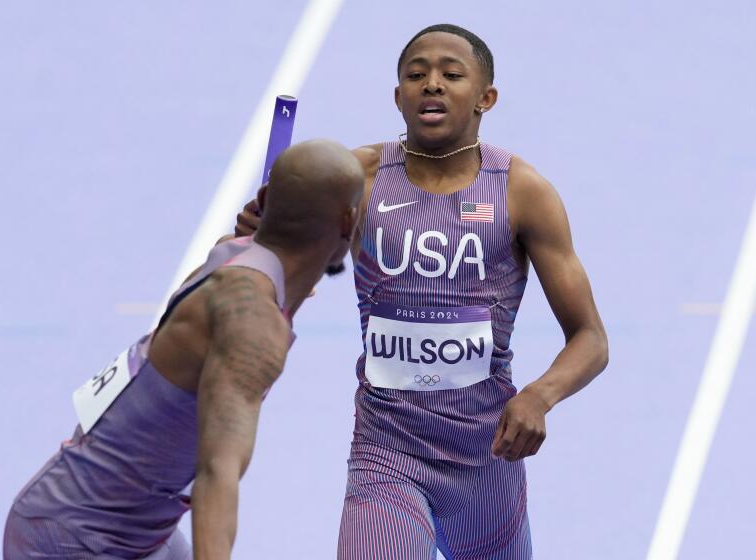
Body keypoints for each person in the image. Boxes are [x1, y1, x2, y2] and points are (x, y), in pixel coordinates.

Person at [235, 24, 609, 559]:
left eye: (451, 74)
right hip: (385, 450)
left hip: (487, 460)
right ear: (398, 96)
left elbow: (591, 338)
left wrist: (538, 396)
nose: (431, 83)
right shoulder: (356, 178)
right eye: (416, 75)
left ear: (486, 98)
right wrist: (261, 237)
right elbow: (275, 271)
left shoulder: (522, 192)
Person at [4, 140, 365, 559]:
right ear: (348, 222)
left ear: (265, 199)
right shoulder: (251, 326)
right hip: (76, 541)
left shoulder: (233, 254)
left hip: (124, 527)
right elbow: (218, 472)